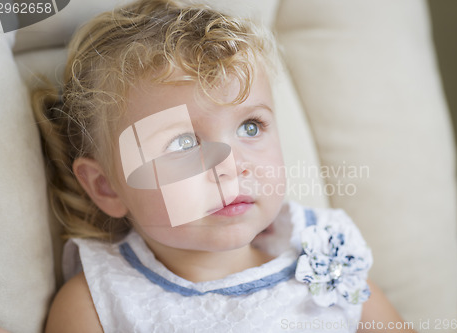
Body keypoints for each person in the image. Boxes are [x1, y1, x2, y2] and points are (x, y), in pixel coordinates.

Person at [34, 0, 416, 332]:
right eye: (182, 142)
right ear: (107, 187)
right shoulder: (100, 301)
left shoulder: (324, 252)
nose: (230, 166)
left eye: (251, 127)